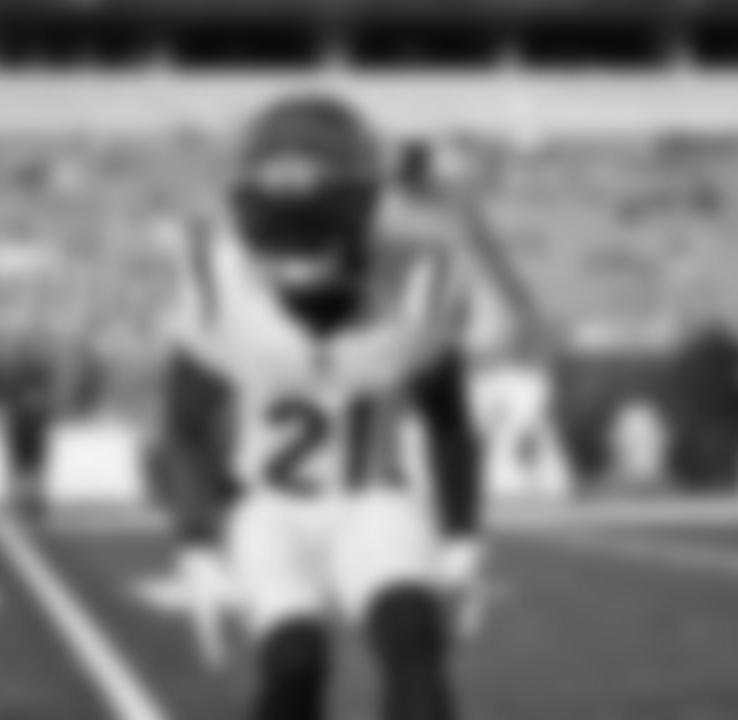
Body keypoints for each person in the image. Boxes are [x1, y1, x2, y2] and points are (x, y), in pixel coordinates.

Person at [152, 93, 489, 720]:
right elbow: (186, 426)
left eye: (311, 237)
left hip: (373, 498)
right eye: (278, 238)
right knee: (295, 662)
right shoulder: (215, 282)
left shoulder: (419, 279)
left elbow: (449, 418)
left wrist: (464, 534)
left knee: (414, 639)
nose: (294, 261)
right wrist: (195, 539)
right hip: (270, 507)